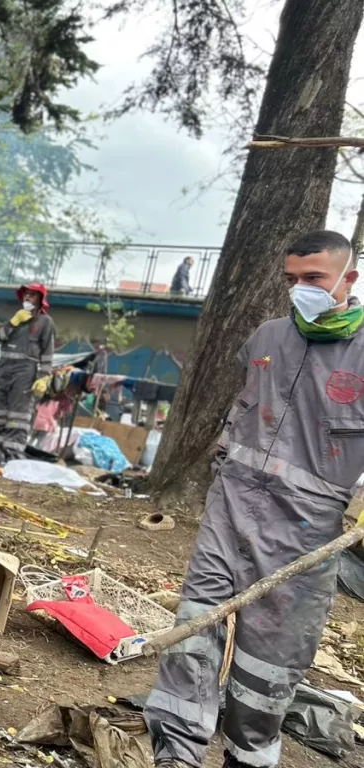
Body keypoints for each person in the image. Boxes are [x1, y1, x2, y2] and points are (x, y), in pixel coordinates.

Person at [147, 230, 364, 768]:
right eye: (291, 279)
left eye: (313, 279)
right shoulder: (267, 337)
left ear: (348, 279)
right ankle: (175, 755)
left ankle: (248, 757)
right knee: (194, 630)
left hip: (309, 526)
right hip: (232, 504)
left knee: (268, 666)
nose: (300, 290)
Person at [0, 283, 54, 464]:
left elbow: (47, 353)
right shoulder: (16, 318)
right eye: (26, 295)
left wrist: (43, 377)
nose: (28, 298)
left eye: (32, 295)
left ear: (41, 300)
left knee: (18, 417)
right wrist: (12, 322)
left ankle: (12, 458)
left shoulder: (45, 322)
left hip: (25, 374)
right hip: (3, 370)